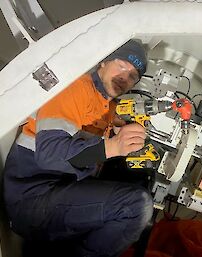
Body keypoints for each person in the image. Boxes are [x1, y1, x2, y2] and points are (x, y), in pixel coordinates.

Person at [3, 39, 153, 257]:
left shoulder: (106, 105)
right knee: (136, 207)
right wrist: (110, 147)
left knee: (136, 181)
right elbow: (50, 154)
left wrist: (116, 136)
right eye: (122, 65)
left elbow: (84, 144)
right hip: (31, 199)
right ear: (103, 61)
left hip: (55, 192)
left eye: (133, 76)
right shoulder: (74, 88)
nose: (125, 77)